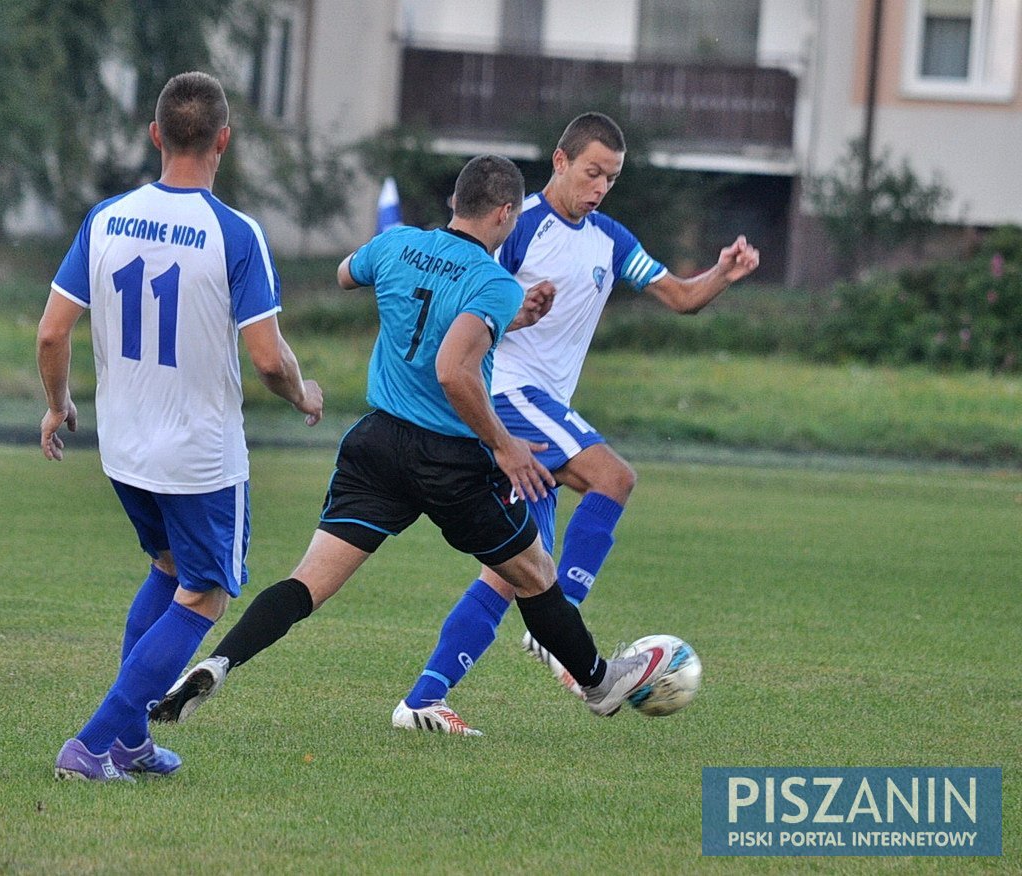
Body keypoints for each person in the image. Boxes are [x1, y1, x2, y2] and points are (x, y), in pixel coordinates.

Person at [148, 154, 674, 734]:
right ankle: (600, 684)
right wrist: (503, 444)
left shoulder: (397, 244)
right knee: (533, 573)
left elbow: (348, 274)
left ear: (455, 202)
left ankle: (221, 661)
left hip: (376, 446)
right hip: (449, 460)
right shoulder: (493, 282)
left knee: (307, 583)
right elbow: (453, 368)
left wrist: (502, 316)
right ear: (505, 214)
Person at [391, 112, 761, 732]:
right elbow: (455, 298)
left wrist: (722, 273)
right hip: (508, 393)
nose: (600, 187)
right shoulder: (520, 227)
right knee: (613, 478)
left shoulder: (610, 239)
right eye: (592, 172)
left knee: (514, 573)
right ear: (560, 162)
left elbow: (680, 297)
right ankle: (564, 619)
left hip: (538, 411)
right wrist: (513, 315)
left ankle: (423, 699)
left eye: (611, 178)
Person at [38, 71, 324, 781]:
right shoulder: (235, 233)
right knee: (205, 593)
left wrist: (58, 402)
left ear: (155, 135)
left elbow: (51, 333)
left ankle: (131, 744)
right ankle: (93, 743)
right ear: (224, 139)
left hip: (124, 445)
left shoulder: (105, 218)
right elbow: (266, 357)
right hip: (199, 456)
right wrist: (301, 392)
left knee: (168, 571)